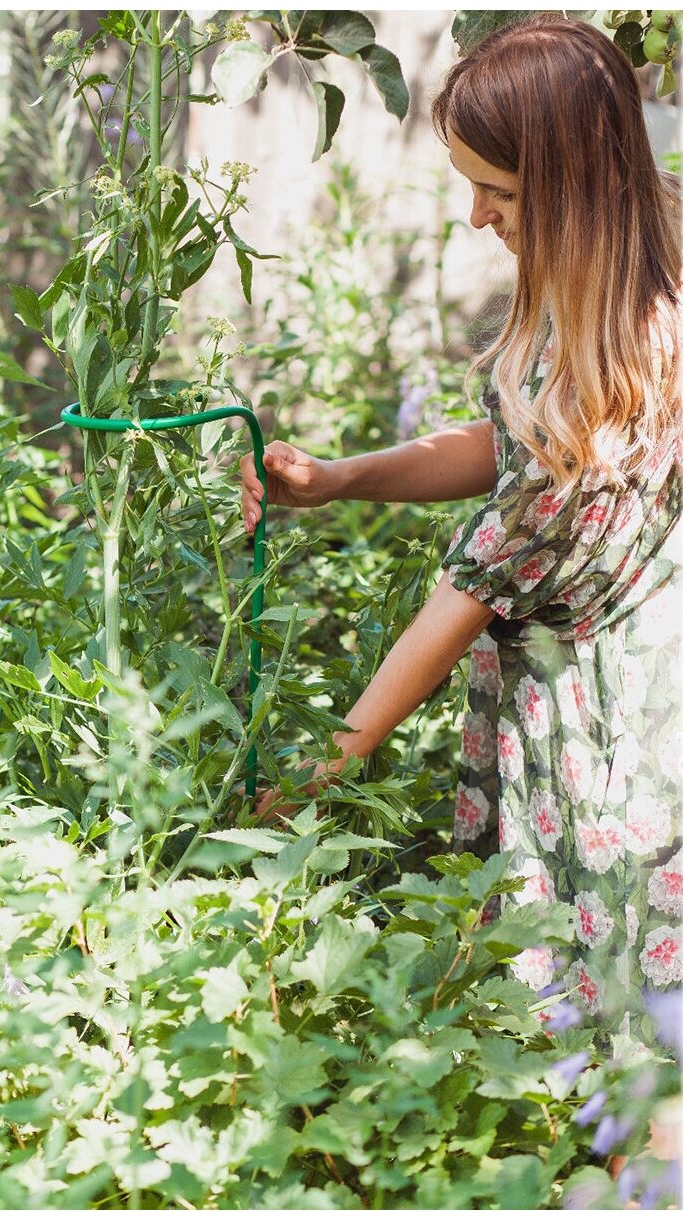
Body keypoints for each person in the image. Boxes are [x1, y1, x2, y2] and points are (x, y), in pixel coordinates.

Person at [239, 13, 681, 1052]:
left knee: (634, 1032)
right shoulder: (579, 310)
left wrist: (316, 773)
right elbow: (503, 444)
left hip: (616, 740)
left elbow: (465, 595)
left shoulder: (621, 369)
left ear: (580, 187)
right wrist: (341, 478)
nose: (476, 216)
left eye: (501, 193)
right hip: (568, 715)